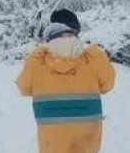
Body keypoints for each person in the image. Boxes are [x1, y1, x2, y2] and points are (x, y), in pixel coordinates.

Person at [17, 9, 116, 153]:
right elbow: (108, 85)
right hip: (88, 139)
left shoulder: (37, 60)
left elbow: (23, 88)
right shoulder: (94, 57)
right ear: (76, 31)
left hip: (51, 141)